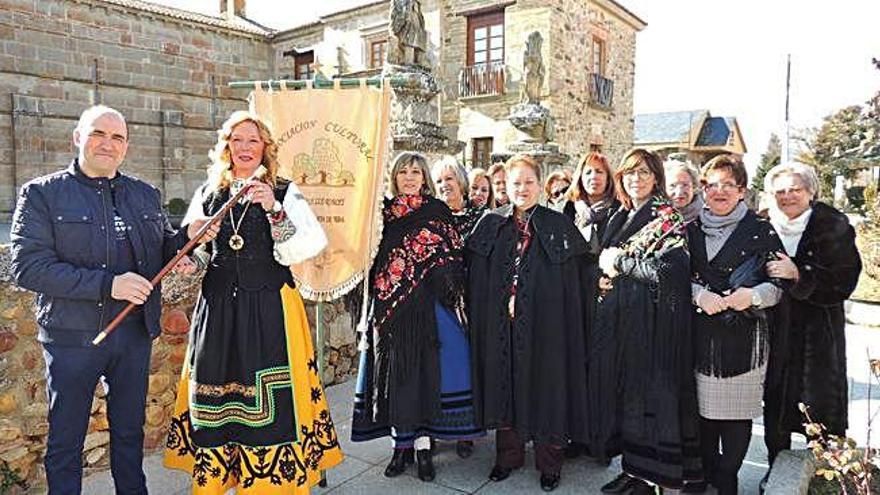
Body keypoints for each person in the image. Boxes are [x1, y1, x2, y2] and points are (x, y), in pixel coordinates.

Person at [9, 105, 216, 494]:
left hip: (133, 334)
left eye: (117, 137)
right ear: (77, 138)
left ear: (126, 146)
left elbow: (160, 250)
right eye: (98, 134)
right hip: (72, 337)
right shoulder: (42, 194)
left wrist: (187, 235)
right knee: (66, 440)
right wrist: (109, 285)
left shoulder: (144, 193)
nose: (108, 143)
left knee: (128, 433)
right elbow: (28, 267)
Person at [163, 110, 343, 494]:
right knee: (217, 393)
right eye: (237, 140)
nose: (245, 148)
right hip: (219, 311)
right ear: (226, 147)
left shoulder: (283, 190)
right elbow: (194, 256)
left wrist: (274, 210)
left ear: (265, 148)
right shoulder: (209, 194)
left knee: (275, 401)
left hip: (270, 308)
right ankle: (218, 478)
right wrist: (192, 241)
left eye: (253, 140)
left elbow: (307, 246)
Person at [352, 152, 483, 482]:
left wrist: (448, 284)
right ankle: (401, 449)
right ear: (394, 177)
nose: (409, 177)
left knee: (426, 379)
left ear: (424, 178)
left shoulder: (436, 211)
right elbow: (367, 256)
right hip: (389, 310)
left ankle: (423, 450)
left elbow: (451, 256)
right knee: (397, 380)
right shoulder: (381, 214)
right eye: (402, 172)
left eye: (415, 172)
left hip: (429, 309)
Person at [467, 154, 590, 492]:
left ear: (540, 184)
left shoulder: (558, 225)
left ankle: (550, 462)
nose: (521, 189)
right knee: (505, 386)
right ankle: (508, 456)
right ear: (504, 185)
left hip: (547, 327)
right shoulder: (492, 222)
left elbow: (576, 281)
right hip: (502, 328)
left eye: (529, 182)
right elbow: (475, 277)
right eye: (514, 183)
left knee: (548, 387)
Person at [593, 149, 700, 494]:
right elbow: (605, 263)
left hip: (654, 328)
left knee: (652, 405)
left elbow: (669, 273)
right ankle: (634, 471)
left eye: (642, 173)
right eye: (628, 174)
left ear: (656, 177)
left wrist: (621, 264)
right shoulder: (621, 215)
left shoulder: (667, 218)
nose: (634, 179)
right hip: (623, 324)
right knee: (628, 401)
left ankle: (657, 477)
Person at [686, 155, 784, 495]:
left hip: (746, 339)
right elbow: (673, 278)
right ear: (703, 190)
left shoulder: (761, 230)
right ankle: (711, 472)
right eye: (712, 184)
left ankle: (728, 476)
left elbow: (780, 285)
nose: (720, 191)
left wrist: (753, 296)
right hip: (703, 337)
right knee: (706, 415)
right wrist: (699, 294)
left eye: (728, 184)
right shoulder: (691, 231)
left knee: (736, 417)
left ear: (742, 191)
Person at [761, 161, 862, 488]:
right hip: (773, 331)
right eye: (780, 191)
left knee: (821, 407)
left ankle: (828, 479)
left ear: (810, 191)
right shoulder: (762, 226)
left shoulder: (832, 226)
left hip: (818, 334)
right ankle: (776, 471)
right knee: (775, 406)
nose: (787, 196)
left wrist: (799, 276)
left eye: (795, 189)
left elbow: (844, 281)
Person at [559, 151, 619, 460]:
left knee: (603, 372)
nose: (593, 177)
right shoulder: (568, 211)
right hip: (573, 298)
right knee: (575, 367)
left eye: (600, 172)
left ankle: (603, 441)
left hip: (606, 300)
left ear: (609, 179)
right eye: (588, 172)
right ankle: (576, 436)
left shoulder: (619, 211)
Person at [433, 157, 486, 240]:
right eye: (439, 181)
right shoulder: (432, 218)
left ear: (461, 181)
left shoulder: (481, 215)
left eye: (449, 178)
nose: (444, 185)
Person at [664, 159, 703, 223]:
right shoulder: (652, 217)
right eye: (672, 186)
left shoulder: (708, 217)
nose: (679, 192)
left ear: (694, 186)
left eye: (685, 185)